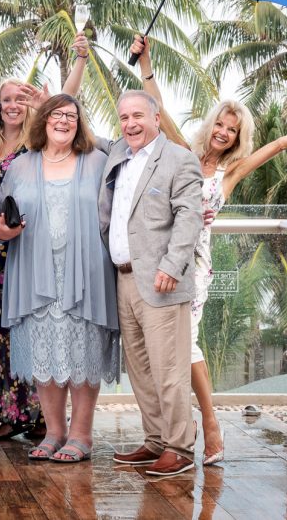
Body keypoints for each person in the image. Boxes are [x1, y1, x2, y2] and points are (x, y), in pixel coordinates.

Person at [131, 35, 287, 465]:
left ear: (238, 137)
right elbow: (157, 111)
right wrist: (146, 62)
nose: (223, 132)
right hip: (161, 257)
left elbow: (278, 146)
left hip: (195, 264)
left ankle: (208, 424)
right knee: (165, 346)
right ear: (210, 124)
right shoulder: (182, 153)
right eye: (219, 124)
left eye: (232, 129)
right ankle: (181, 428)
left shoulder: (229, 172)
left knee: (189, 345)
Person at [0, 94, 120, 463]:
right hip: (33, 269)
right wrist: (5, 231)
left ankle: (82, 435)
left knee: (83, 350)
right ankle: (54, 432)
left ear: (81, 123)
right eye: (56, 115)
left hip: (88, 270)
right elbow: (0, 217)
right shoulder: (21, 165)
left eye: (71, 116)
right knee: (43, 352)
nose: (63, 121)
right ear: (43, 120)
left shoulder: (99, 159)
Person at [101, 90, 203, 477]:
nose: (131, 124)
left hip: (162, 280)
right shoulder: (117, 155)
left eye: (138, 116)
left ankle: (180, 447)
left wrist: (173, 266)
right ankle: (156, 440)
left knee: (168, 368)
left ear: (157, 118)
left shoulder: (179, 158)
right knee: (141, 368)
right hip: (123, 278)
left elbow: (189, 217)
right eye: (124, 117)